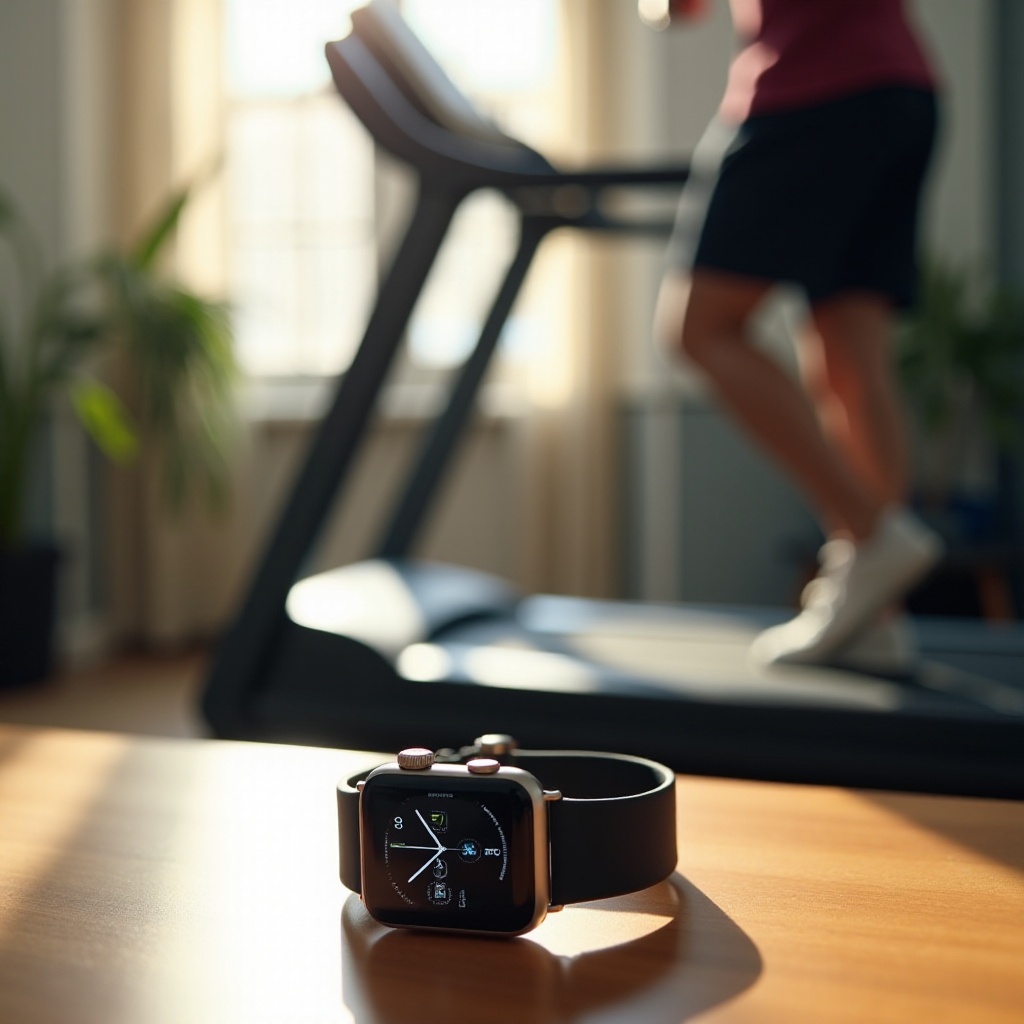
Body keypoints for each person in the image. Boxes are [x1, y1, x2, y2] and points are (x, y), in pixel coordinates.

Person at [653, 0, 943, 670]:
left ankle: (872, 535)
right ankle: (876, 616)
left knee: (700, 331)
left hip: (809, 89)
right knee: (853, 358)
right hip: (902, 91)